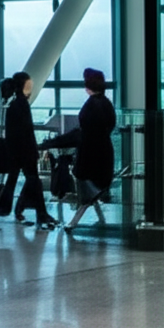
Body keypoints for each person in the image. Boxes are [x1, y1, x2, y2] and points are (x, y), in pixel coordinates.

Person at [39, 67, 116, 231]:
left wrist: (52, 143)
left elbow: (81, 134)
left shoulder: (91, 107)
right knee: (93, 190)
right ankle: (87, 219)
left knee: (86, 191)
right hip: (103, 154)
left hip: (89, 156)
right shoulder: (107, 105)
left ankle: (74, 221)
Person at [0, 72, 57, 231]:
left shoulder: (13, 104)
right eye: (29, 86)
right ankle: (37, 213)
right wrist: (33, 151)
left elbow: (16, 132)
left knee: (15, 183)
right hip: (24, 153)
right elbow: (26, 132)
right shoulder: (21, 104)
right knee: (31, 182)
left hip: (16, 152)